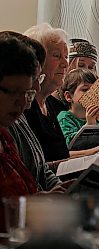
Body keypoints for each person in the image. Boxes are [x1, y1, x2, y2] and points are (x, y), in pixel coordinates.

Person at [1, 31, 65, 191]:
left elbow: (37, 173)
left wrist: (57, 190)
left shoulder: (6, 135)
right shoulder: (11, 122)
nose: (36, 87)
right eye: (15, 91)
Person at [23, 23, 71, 163]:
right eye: (57, 56)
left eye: (66, 56)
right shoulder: (24, 106)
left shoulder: (50, 103)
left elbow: (62, 156)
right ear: (36, 60)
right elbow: (36, 167)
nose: (66, 64)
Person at [56, 68, 99, 154]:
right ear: (68, 96)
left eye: (95, 91)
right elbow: (68, 145)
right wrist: (89, 126)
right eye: (85, 90)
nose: (91, 95)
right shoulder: (64, 117)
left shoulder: (97, 120)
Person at [51, 38, 99, 111]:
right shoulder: (48, 100)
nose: (86, 71)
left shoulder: (94, 101)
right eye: (81, 65)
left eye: (91, 67)